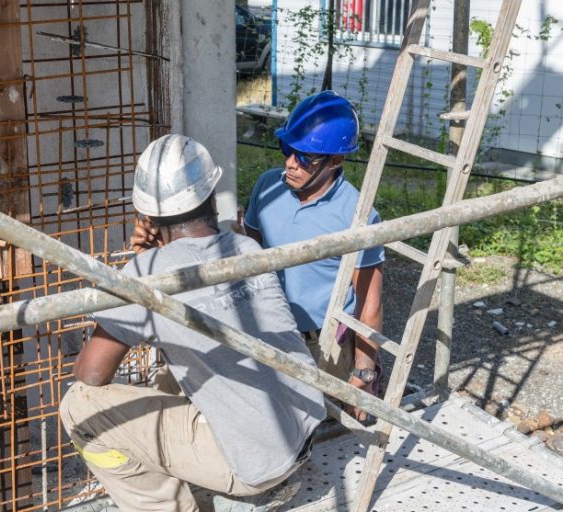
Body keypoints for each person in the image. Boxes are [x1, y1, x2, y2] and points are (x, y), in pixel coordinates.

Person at [60, 134, 326, 512]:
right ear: (212, 198)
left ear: (146, 216)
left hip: (257, 464)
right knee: (175, 370)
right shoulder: (246, 248)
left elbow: (91, 374)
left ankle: (165, 504)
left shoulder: (145, 272)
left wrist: (140, 270)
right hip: (304, 432)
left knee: (79, 406)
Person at [239, 90, 384, 422]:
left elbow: (369, 302)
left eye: (305, 157)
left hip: (326, 344)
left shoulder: (356, 214)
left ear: (336, 160)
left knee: (326, 429)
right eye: (288, 149)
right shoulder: (266, 187)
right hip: (271, 329)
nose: (290, 163)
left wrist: (364, 373)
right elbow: (252, 250)